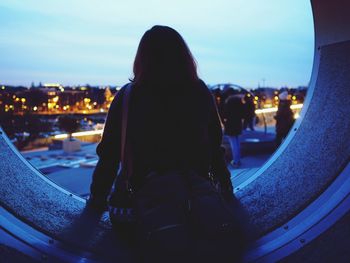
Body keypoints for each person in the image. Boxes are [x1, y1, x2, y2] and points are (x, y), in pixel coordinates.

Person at [87, 25, 246, 262]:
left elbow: (109, 155)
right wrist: (225, 188)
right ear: (184, 56)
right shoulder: (199, 92)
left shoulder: (128, 96)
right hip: (194, 205)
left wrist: (96, 199)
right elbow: (214, 148)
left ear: (142, 58)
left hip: (137, 209)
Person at [223, 90, 244, 167]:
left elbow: (225, 114)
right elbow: (242, 113)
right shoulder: (239, 101)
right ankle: (238, 159)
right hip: (238, 124)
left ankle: (235, 161)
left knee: (233, 143)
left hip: (230, 124)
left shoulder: (228, 102)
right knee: (237, 142)